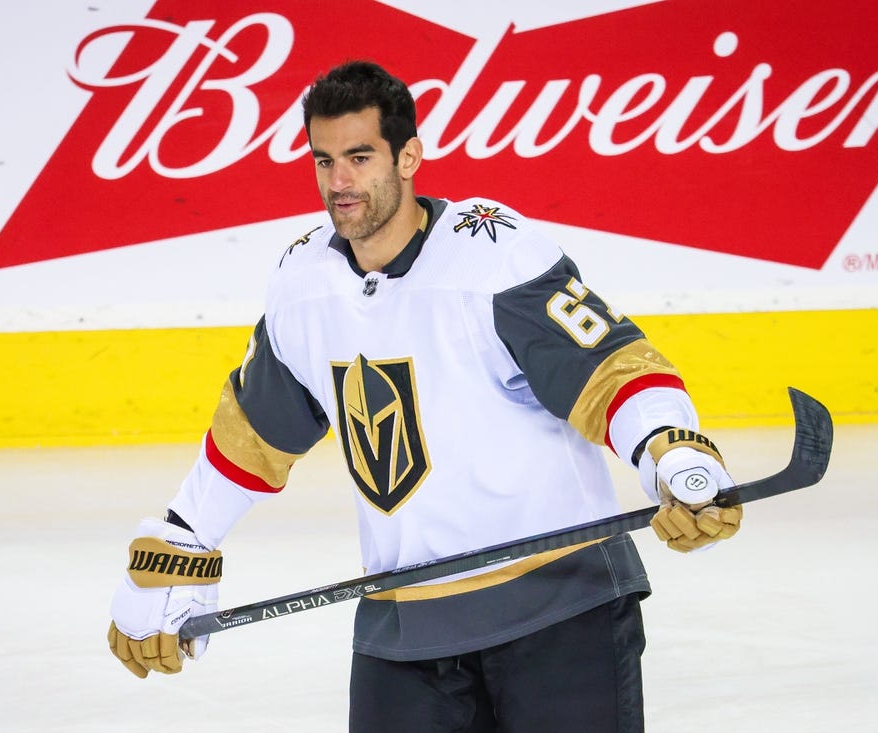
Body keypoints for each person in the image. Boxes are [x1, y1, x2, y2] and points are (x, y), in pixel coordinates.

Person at [107, 60, 743, 732]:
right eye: (324, 161)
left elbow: (608, 370)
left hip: (561, 612)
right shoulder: (304, 284)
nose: (339, 182)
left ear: (408, 155)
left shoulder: (494, 255)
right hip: (403, 627)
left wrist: (671, 450)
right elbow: (253, 436)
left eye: (359, 156)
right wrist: (182, 540)